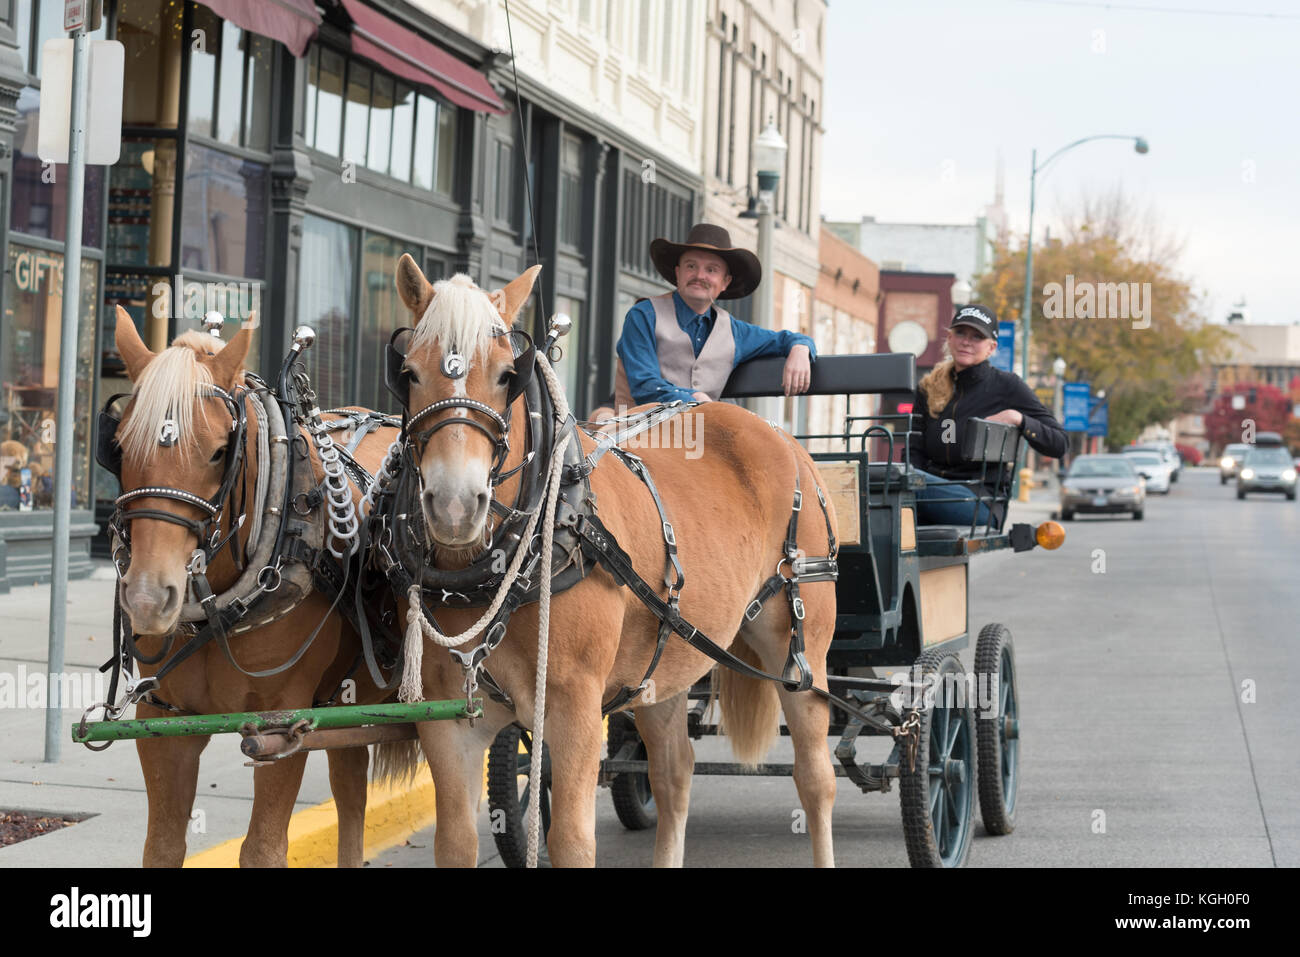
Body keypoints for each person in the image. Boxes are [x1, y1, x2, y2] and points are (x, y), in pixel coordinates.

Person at [612, 223, 815, 410]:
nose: (700, 276)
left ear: (725, 282)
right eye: (691, 266)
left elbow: (784, 339)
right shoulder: (643, 315)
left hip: (704, 438)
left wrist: (800, 348)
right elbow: (644, 385)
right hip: (643, 436)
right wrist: (695, 397)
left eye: (711, 270)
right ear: (678, 272)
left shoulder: (735, 331)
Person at [909, 304, 1067, 526]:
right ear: (950, 338)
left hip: (978, 501)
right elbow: (914, 453)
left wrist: (1018, 418)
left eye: (977, 337)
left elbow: (1059, 443)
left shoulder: (1007, 386)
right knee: (878, 482)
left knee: (906, 482)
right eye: (961, 333)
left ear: (991, 348)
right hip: (929, 492)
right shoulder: (928, 387)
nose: (966, 341)